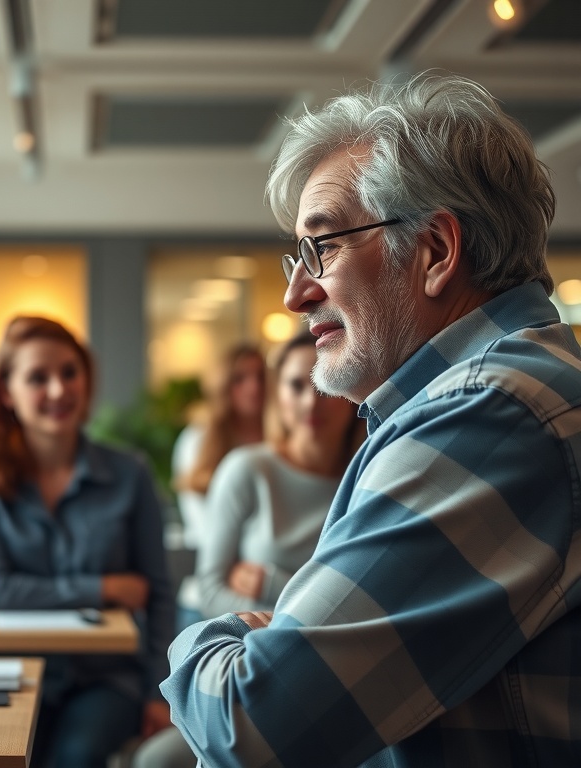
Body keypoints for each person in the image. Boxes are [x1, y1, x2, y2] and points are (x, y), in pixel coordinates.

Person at [162, 72, 580, 767]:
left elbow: (250, 724)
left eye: (323, 248)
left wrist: (212, 632)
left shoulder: (490, 414)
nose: (296, 294)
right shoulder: (508, 392)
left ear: (437, 253)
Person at [133, 331, 361, 768]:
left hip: (333, 671)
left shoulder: (366, 474)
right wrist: (304, 619)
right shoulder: (247, 470)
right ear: (278, 394)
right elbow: (212, 590)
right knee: (156, 761)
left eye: (324, 385)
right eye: (297, 385)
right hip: (252, 661)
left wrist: (271, 581)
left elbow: (361, 600)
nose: (312, 401)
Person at [0, 316, 175, 768]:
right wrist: (104, 589)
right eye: (38, 378)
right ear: (6, 392)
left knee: (75, 757)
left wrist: (160, 691)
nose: (59, 390)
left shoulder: (129, 474)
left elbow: (158, 593)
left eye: (69, 372)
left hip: (106, 678)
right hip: (12, 672)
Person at [170, 344, 265, 628]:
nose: (254, 386)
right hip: (206, 598)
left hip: (263, 592)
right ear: (224, 385)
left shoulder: (282, 437)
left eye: (261, 376)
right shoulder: (197, 441)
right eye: (241, 378)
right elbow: (203, 529)